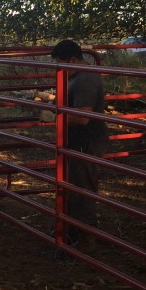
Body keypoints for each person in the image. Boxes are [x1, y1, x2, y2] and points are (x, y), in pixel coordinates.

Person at [43, 39, 109, 248]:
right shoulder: (76, 77)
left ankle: (84, 238)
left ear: (72, 60)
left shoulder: (85, 79)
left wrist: (54, 115)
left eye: (60, 64)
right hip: (78, 141)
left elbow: (82, 117)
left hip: (85, 141)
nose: (59, 69)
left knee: (82, 191)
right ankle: (72, 232)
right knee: (73, 188)